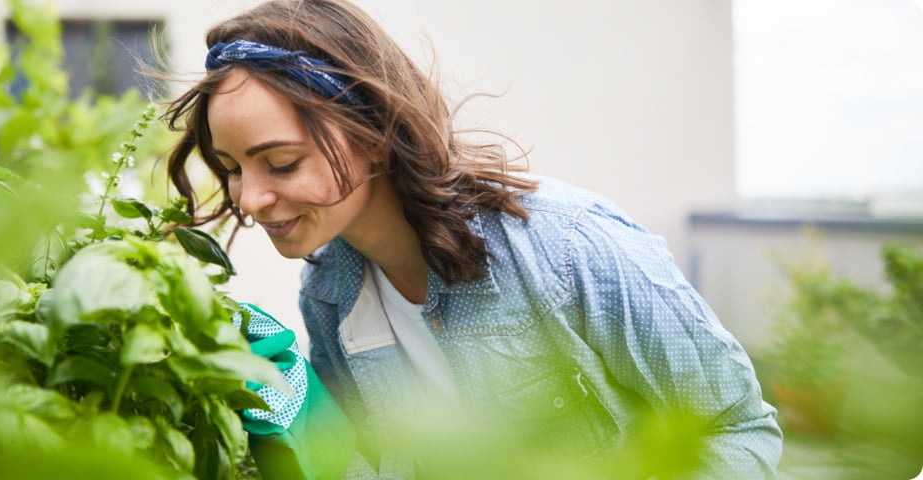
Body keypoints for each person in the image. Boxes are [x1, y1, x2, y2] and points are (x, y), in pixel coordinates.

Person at [163, 0, 782, 478]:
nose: (248, 199)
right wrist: (305, 425)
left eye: (282, 162)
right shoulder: (328, 295)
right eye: (235, 167)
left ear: (372, 133)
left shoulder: (566, 248)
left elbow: (738, 429)